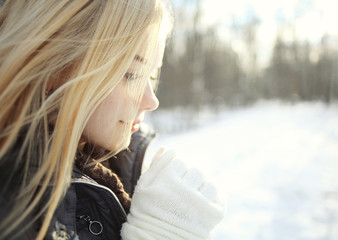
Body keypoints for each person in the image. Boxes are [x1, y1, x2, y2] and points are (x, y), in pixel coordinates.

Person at [0, 0, 225, 239]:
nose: (152, 101)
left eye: (152, 75)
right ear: (53, 68)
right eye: (132, 75)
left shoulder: (121, 169)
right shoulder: (14, 208)